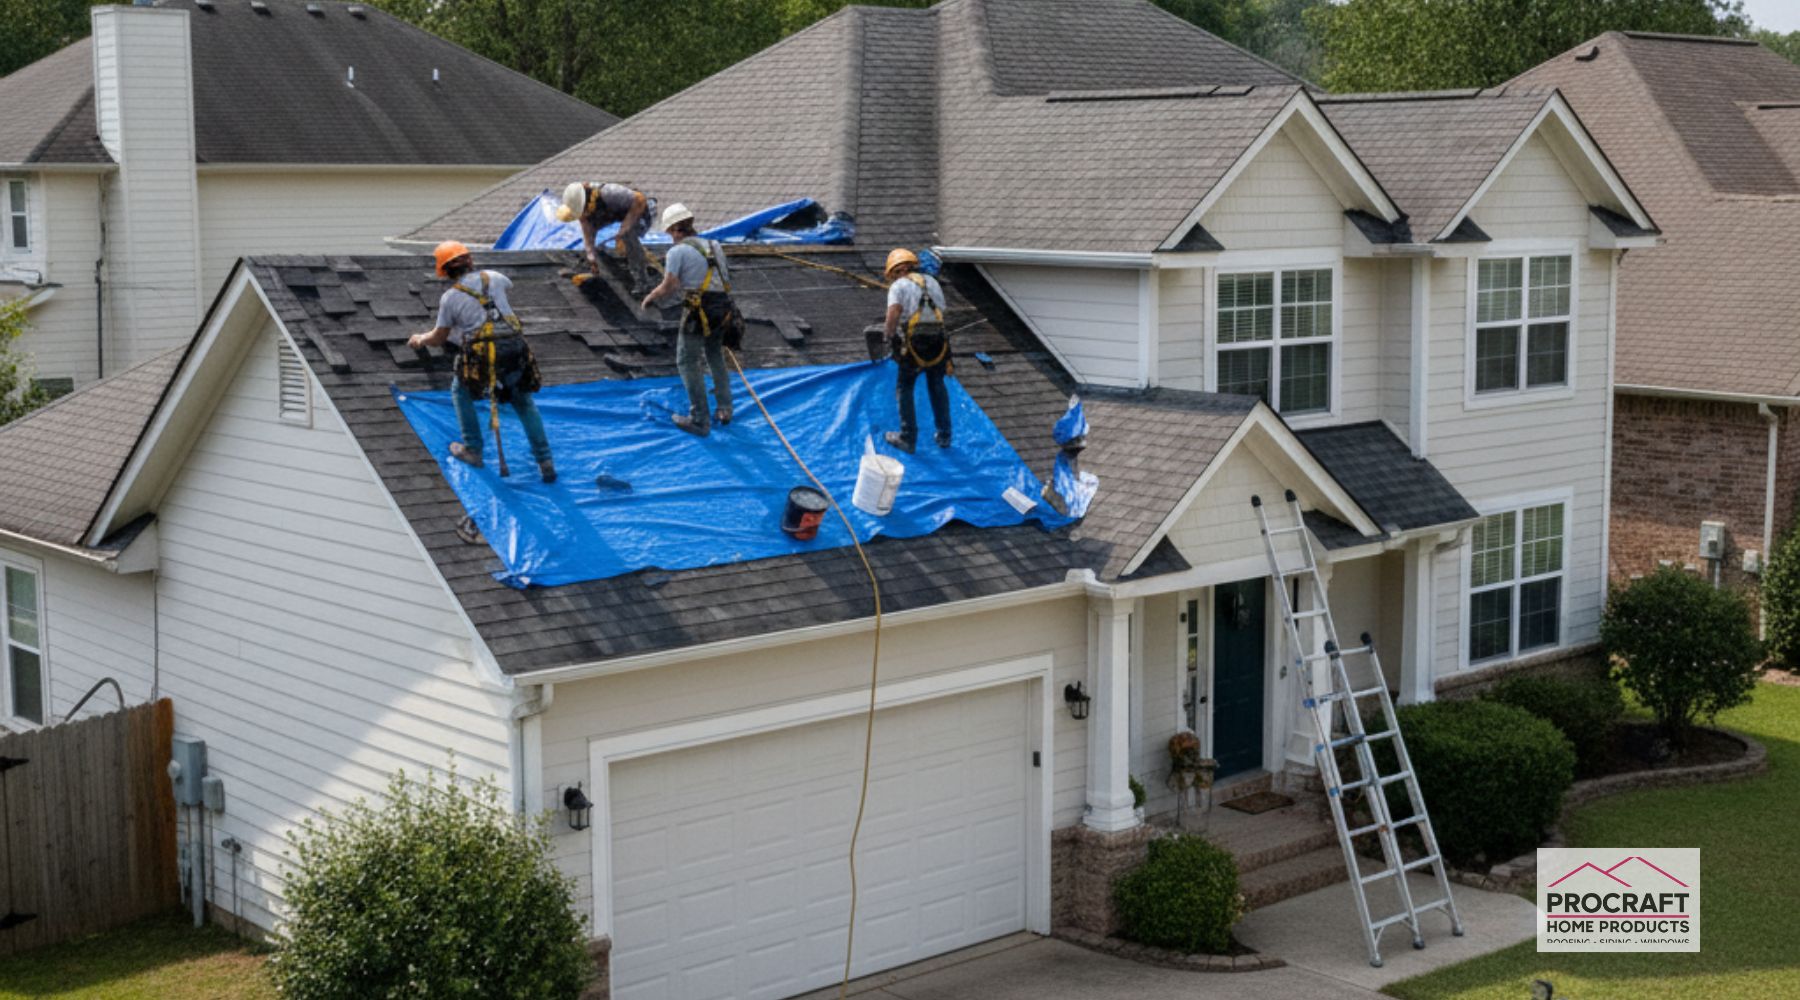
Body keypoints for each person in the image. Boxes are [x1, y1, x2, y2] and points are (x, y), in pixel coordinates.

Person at [407, 241, 556, 482]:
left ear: (445, 271)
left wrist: (420, 339)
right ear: (470, 261)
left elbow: (440, 337)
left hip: (484, 352)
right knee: (523, 402)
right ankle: (545, 461)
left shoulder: (450, 298)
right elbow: (501, 295)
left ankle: (473, 450)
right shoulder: (495, 277)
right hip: (514, 345)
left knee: (461, 391)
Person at [641, 204, 742, 436]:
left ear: (676, 229)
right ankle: (725, 409)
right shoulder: (715, 246)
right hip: (724, 308)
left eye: (670, 232)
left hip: (699, 310)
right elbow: (724, 278)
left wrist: (650, 298)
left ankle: (699, 420)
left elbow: (670, 286)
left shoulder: (677, 252)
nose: (670, 237)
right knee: (715, 354)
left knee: (687, 361)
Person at [881, 248, 951, 453]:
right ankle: (945, 436)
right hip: (939, 342)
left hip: (915, 345)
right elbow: (942, 312)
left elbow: (893, 314)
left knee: (905, 387)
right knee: (937, 386)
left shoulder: (898, 286)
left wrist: (889, 336)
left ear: (895, 272)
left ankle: (907, 438)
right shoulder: (933, 283)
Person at [558, 181, 654, 294]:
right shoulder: (585, 211)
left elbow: (640, 200)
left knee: (629, 237)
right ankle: (593, 267)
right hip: (616, 214)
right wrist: (591, 257)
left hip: (641, 211)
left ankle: (643, 282)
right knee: (597, 244)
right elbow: (588, 237)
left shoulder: (610, 193)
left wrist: (623, 230)